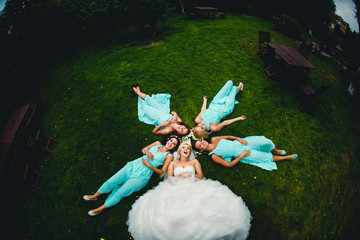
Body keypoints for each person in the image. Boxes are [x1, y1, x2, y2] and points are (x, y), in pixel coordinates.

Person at [127, 141, 252, 240]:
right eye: (183, 148)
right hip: (175, 187)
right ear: (179, 152)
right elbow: (169, 179)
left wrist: (189, 174)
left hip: (194, 185)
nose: (186, 150)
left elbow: (201, 176)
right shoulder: (172, 164)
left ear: (190, 152)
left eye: (188, 148)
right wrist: (178, 177)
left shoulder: (194, 161)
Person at [83, 135, 181, 216]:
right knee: (111, 181)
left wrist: (149, 165)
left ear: (174, 148)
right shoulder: (157, 144)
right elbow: (143, 149)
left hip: (142, 176)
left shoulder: (169, 156)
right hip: (134, 165)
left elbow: (162, 171)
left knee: (120, 193)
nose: (170, 143)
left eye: (173, 144)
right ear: (168, 140)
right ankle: (95, 196)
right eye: (171, 140)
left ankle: (100, 209)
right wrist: (147, 152)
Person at [194, 135, 297, 171]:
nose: (202, 143)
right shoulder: (214, 156)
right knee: (263, 157)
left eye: (201, 141)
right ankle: (285, 158)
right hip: (240, 152)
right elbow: (229, 164)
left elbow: (227, 137)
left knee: (263, 142)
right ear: (201, 150)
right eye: (200, 146)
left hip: (240, 143)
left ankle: (277, 150)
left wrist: (238, 139)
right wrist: (242, 156)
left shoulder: (214, 139)